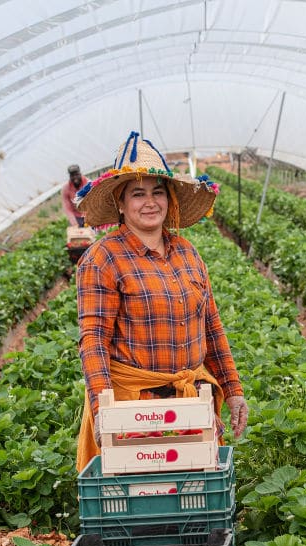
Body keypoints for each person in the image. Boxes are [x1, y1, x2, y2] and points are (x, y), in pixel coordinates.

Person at [73, 131, 248, 473]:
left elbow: (211, 327)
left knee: (194, 500)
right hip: (132, 409)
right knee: (141, 500)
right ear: (120, 204)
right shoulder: (103, 258)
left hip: (191, 404)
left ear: (169, 200)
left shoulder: (187, 252)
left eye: (158, 192)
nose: (149, 202)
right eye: (137, 194)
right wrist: (101, 409)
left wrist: (233, 388)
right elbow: (93, 341)